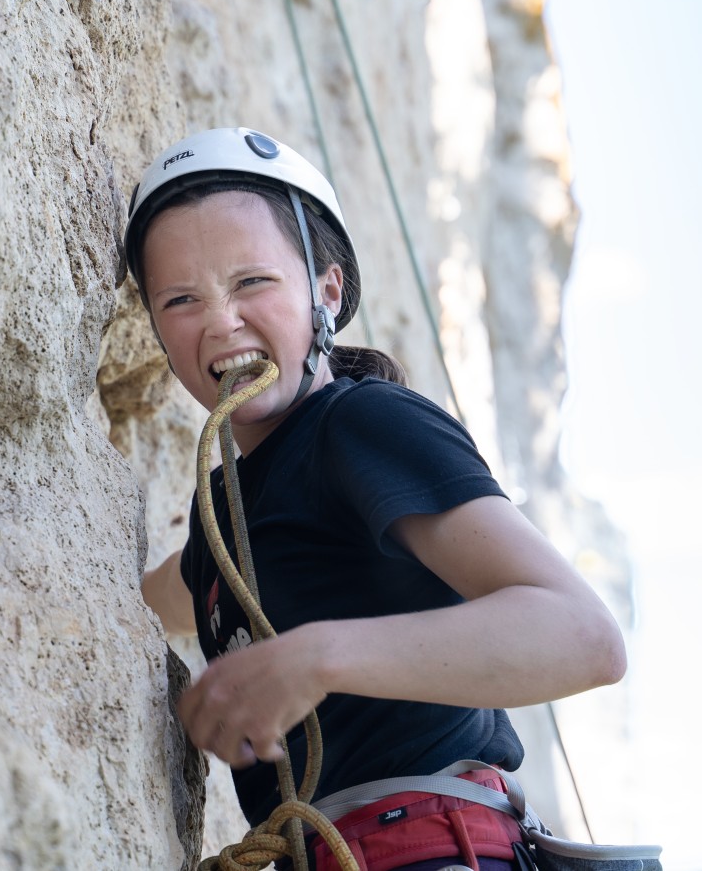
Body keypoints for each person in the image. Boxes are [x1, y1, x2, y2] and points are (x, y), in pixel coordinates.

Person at [129, 126, 627, 863]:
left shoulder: (361, 423)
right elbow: (128, 605)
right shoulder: (220, 520)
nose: (220, 320)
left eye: (252, 282)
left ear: (326, 291)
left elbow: (583, 635)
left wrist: (318, 657)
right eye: (180, 299)